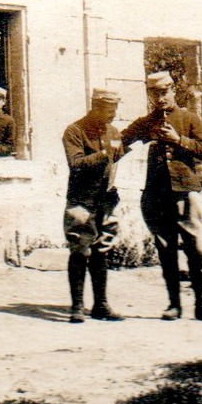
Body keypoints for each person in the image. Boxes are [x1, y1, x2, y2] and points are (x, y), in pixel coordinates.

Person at [121, 70, 202, 323]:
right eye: (154, 93)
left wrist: (179, 140)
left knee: (196, 249)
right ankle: (174, 304)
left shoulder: (189, 118)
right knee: (166, 249)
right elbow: (121, 142)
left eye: (164, 91)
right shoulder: (146, 122)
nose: (160, 98)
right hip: (157, 195)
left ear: (173, 90)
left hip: (186, 192)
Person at [62, 87, 128, 323]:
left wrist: (119, 150)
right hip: (81, 200)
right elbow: (76, 163)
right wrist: (104, 153)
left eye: (115, 111)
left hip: (106, 199)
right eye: (109, 111)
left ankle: (101, 305)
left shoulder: (113, 131)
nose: (112, 115)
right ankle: (77, 307)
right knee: (80, 249)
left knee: (102, 250)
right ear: (95, 106)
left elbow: (115, 156)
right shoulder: (75, 131)